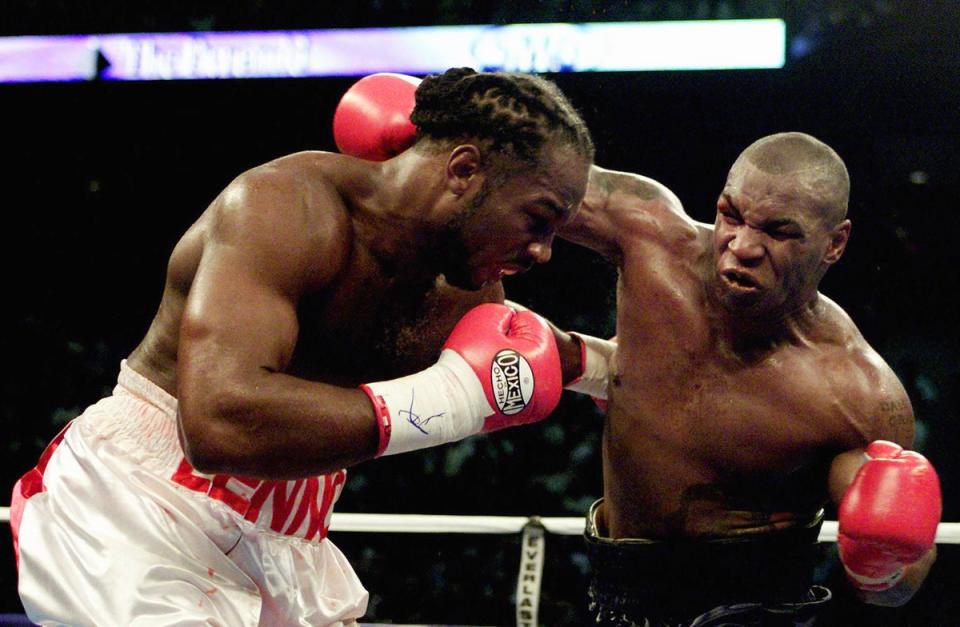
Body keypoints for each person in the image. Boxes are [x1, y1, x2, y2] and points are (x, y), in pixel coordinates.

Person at [10, 67, 599, 626]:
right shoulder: (284, 207)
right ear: (463, 169)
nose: (543, 252)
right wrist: (451, 399)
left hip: (291, 534)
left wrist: (607, 368)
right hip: (140, 505)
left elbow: (537, 352)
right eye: (538, 219)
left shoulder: (464, 287)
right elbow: (220, 426)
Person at [559, 132, 942, 626]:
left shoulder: (855, 392)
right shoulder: (651, 239)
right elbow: (535, 175)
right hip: (613, 593)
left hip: (750, 607)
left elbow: (900, 577)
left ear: (835, 243)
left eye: (779, 232)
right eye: (730, 214)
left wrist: (882, 570)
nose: (741, 246)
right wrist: (445, 114)